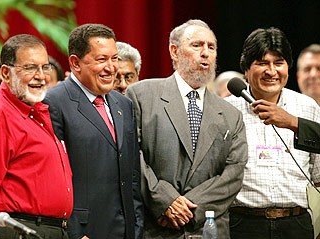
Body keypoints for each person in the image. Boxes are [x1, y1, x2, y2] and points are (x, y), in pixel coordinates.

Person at [126, 19, 248, 239]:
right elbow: (132, 156)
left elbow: (234, 173)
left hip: (207, 228)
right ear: (174, 51)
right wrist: (165, 200)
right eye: (197, 45)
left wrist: (190, 208)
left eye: (211, 47)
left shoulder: (231, 114)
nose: (205, 53)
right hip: (156, 228)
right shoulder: (141, 95)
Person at [43, 24, 143, 239]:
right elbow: (53, 180)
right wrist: (74, 233)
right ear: (75, 63)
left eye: (114, 58)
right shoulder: (54, 103)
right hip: (84, 232)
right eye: (101, 60)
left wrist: (136, 227)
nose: (111, 68)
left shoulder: (123, 105)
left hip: (125, 230)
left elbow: (132, 175)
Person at [0, 34, 73, 239]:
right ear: (6, 74)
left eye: (45, 67)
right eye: (30, 68)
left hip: (48, 229)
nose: (41, 76)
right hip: (19, 229)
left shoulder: (35, 109)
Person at [225, 27, 320, 239]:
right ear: (246, 70)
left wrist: (291, 122)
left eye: (279, 63)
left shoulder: (307, 107)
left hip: (296, 223)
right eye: (261, 63)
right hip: (243, 223)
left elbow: (318, 175)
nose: (271, 71)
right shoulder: (225, 110)